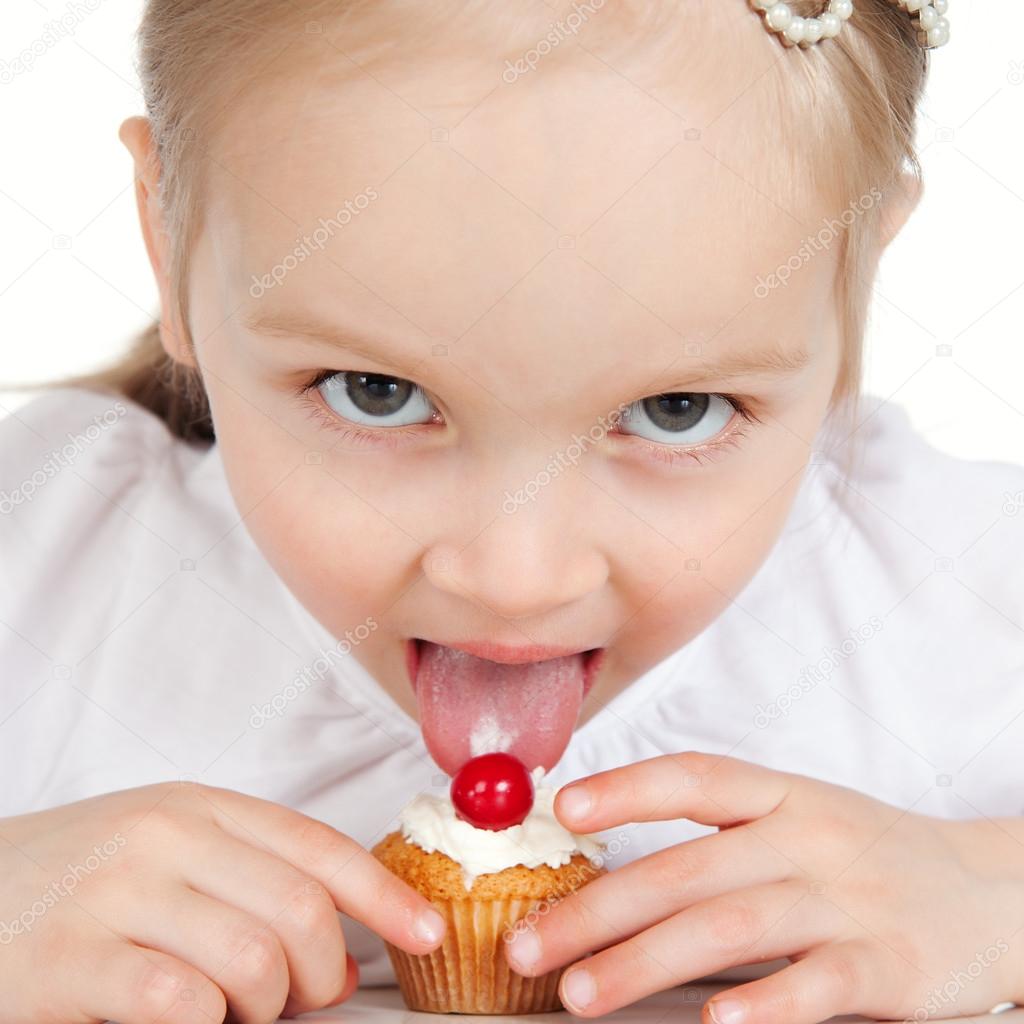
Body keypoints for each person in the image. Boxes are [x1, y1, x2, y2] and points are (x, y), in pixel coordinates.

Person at [3, 0, 1022, 1022]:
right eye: (374, 391)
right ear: (166, 234)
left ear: (859, 269)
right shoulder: (49, 558)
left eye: (676, 411)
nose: (515, 575)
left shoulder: (947, 584)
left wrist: (994, 890)